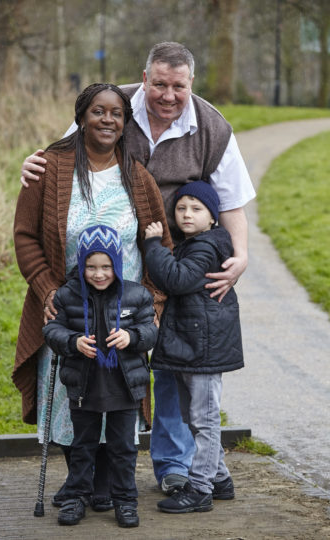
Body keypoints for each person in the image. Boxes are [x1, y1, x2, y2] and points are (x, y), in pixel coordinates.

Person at [19, 42, 255, 495]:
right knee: (92, 368)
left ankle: (172, 466)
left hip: (170, 267)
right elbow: (64, 151)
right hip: (92, 276)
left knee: (166, 368)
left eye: (179, 86)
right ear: (144, 79)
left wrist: (239, 256)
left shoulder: (213, 128)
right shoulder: (112, 103)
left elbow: (233, 203)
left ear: (191, 85)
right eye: (160, 84)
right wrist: (35, 162)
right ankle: (97, 473)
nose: (168, 95)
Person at [13, 83, 172, 509]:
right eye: (98, 112)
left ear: (125, 122)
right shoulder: (49, 167)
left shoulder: (136, 177)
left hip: (123, 311)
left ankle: (105, 483)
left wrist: (153, 305)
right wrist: (47, 289)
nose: (107, 120)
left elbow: (159, 245)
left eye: (116, 113)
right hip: (69, 310)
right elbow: (25, 236)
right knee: (71, 393)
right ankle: (80, 480)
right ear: (81, 116)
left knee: (118, 393)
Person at [43, 225, 158, 527]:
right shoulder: (68, 295)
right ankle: (76, 497)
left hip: (123, 387)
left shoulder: (136, 295)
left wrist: (131, 338)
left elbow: (151, 331)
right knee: (82, 446)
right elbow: (52, 330)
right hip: (84, 385)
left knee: (123, 449)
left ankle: (125, 502)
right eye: (91, 266)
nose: (99, 274)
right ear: (81, 265)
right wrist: (73, 342)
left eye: (106, 266)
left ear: (117, 264)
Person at [144, 181, 244, 513]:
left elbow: (176, 279)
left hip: (204, 346)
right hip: (193, 344)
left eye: (197, 209)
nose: (187, 214)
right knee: (192, 416)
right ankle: (220, 479)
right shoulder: (197, 243)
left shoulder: (205, 247)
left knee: (203, 418)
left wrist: (153, 246)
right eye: (182, 208)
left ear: (213, 217)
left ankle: (200, 488)